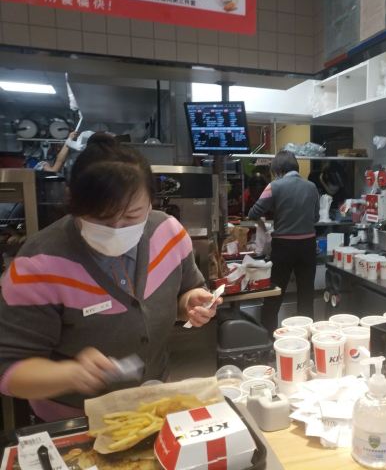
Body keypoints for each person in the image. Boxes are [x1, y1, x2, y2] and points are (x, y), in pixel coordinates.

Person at [0, 133, 221, 422]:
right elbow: (8, 370)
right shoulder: (38, 264)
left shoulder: (168, 233)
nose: (117, 228)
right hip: (75, 420)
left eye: (132, 216)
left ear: (151, 201)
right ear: (73, 203)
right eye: (102, 218)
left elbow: (186, 291)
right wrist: (69, 374)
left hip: (153, 404)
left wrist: (190, 304)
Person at [248, 151, 320, 334]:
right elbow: (316, 217)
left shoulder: (274, 186)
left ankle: (268, 337)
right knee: (306, 295)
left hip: (283, 247)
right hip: (308, 246)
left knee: (274, 295)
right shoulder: (312, 187)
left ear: (278, 170)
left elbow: (253, 213)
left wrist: (274, 213)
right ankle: (306, 338)